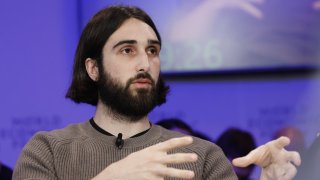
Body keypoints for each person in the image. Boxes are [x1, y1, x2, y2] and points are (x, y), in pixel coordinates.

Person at [13, 5, 300, 180]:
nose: (144, 63)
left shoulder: (202, 156)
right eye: (127, 50)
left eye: (152, 51)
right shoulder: (47, 152)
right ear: (93, 68)